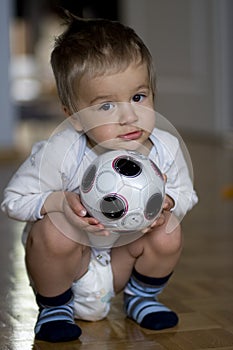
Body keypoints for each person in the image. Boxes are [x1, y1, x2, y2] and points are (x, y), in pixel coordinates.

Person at [1, 11, 198, 343]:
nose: (129, 116)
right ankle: (54, 307)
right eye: (106, 106)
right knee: (51, 230)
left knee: (169, 229)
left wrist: (168, 201)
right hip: (71, 266)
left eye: (139, 97)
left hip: (120, 260)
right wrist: (57, 202)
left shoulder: (164, 147)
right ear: (74, 117)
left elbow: (187, 193)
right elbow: (12, 201)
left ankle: (141, 297)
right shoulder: (60, 150)